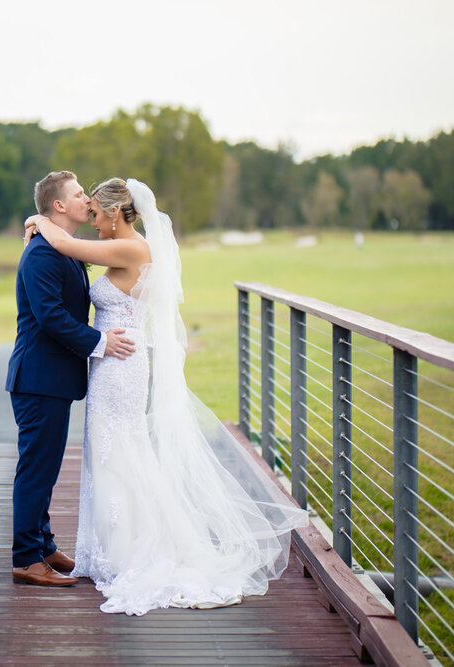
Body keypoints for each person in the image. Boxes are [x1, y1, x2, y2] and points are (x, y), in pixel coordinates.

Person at [25, 178, 308, 615]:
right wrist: (43, 221)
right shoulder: (124, 247)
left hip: (121, 365)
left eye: (98, 213)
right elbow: (65, 248)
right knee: (111, 454)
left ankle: (132, 552)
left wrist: (39, 219)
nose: (94, 220)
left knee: (122, 451)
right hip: (111, 365)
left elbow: (65, 246)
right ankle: (106, 551)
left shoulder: (133, 249)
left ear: (116, 213)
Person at [6, 171, 136, 587]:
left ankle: (43, 545)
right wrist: (100, 341)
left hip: (53, 379)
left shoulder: (65, 248)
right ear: (59, 205)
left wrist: (35, 220)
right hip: (38, 378)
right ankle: (26, 557)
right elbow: (50, 317)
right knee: (36, 469)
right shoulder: (44, 252)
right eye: (79, 194)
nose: (86, 199)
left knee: (46, 468)